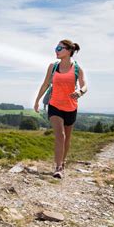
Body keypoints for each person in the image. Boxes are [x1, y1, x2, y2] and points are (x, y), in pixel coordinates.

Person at [33, 39, 88, 179]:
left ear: (69, 51)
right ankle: (58, 168)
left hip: (71, 107)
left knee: (67, 138)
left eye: (59, 48)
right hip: (54, 105)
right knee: (60, 136)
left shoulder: (77, 69)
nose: (56, 51)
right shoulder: (53, 67)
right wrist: (37, 101)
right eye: (56, 48)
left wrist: (80, 92)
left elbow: (84, 85)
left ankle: (63, 163)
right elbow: (45, 84)